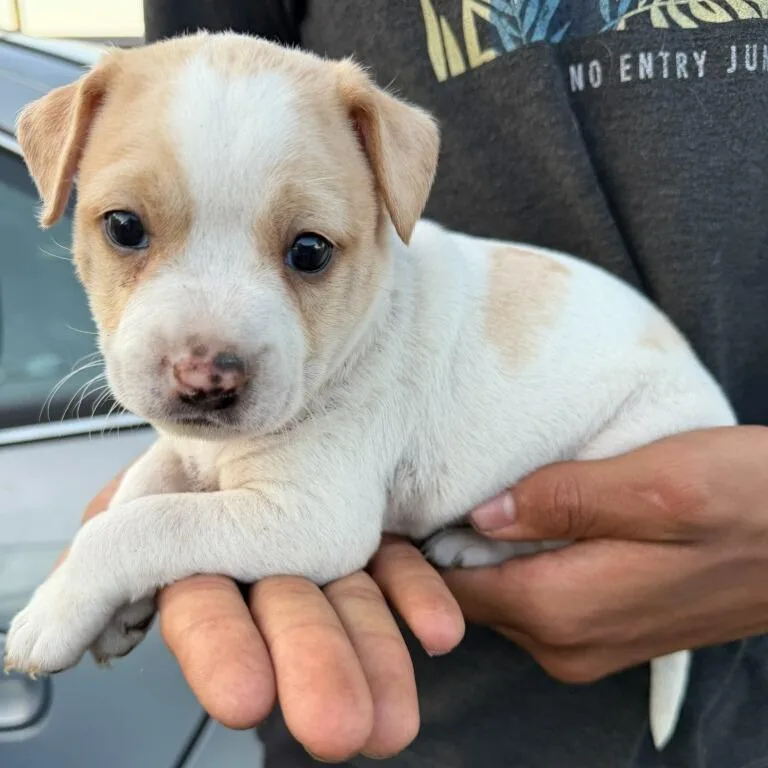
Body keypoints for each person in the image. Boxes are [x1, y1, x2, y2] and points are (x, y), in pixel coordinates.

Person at [79, 1, 768, 765]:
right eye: (128, 233)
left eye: (306, 252)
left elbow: (316, 526)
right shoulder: (200, 92)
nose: (203, 366)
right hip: (403, 709)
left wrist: (136, 544)